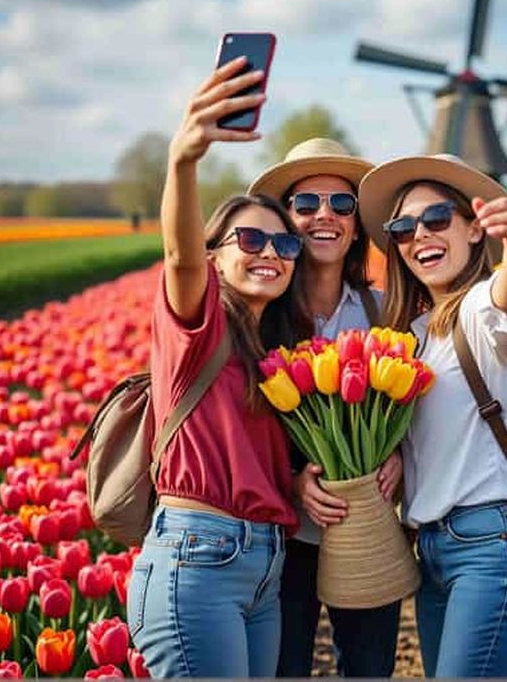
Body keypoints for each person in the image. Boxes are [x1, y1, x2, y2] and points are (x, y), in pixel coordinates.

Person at [126, 57, 314, 678]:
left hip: (264, 569)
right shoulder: (197, 327)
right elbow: (179, 254)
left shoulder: (279, 354)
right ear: (216, 255)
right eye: (251, 241)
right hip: (196, 561)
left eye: (285, 244)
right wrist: (184, 160)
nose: (271, 254)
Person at [357, 154, 507, 678]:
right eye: (403, 227)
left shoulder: (478, 308)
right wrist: (401, 459)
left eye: (437, 218)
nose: (419, 233)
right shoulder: (416, 334)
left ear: (474, 230)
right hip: (436, 552)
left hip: (495, 544)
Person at [247, 138, 404, 678]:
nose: (325, 216)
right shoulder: (258, 319)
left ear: (358, 225)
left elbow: (416, 405)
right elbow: (239, 425)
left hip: (366, 528)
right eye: (306, 204)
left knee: (368, 669)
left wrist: (399, 455)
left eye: (341, 205)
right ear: (286, 220)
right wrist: (292, 480)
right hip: (283, 536)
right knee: (283, 669)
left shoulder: (384, 312)